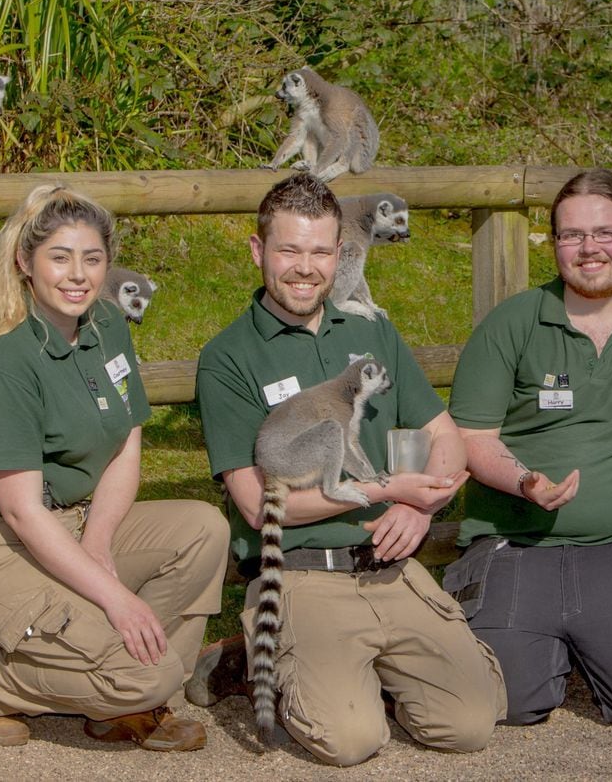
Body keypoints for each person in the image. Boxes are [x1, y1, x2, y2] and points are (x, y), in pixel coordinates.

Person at [194, 173, 506, 767]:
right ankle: (275, 654)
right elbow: (261, 505)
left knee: (470, 724)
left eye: (319, 252)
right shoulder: (229, 357)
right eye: (288, 250)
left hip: (392, 566)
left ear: (341, 254)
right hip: (304, 573)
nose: (305, 268)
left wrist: (421, 505)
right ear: (258, 251)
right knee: (350, 740)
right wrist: (379, 490)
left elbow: (445, 437)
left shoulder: (370, 330)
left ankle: (350, 667)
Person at [0, 184, 229, 751]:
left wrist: (98, 544)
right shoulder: (3, 365)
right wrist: (115, 596)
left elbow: (125, 443)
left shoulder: (107, 327)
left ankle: (120, 697)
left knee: (202, 529)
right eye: (60, 257)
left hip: (72, 522)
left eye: (92, 259)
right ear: (25, 262)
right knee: (152, 672)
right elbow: (20, 512)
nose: (78, 275)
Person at [444, 168, 612, 729]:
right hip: (516, 545)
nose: (589, 249)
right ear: (556, 243)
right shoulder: (511, 322)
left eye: (604, 233)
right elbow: (471, 437)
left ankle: (585, 640)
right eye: (572, 235)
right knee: (506, 705)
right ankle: (551, 642)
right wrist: (523, 481)